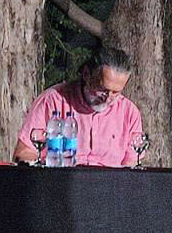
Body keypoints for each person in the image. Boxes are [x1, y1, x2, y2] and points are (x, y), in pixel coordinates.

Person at [13, 45, 145, 167]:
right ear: (86, 74)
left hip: (110, 182)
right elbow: (24, 152)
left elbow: (131, 166)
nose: (108, 98)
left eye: (116, 92)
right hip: (61, 179)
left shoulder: (129, 113)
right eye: (102, 89)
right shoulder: (52, 101)